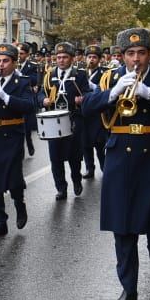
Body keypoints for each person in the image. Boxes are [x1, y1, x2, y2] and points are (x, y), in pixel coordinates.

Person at [82, 29, 150, 300]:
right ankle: (128, 289)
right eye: (130, 54)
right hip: (120, 157)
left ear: (149, 54)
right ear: (122, 55)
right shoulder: (110, 77)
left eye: (141, 53)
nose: (136, 59)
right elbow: (86, 110)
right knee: (123, 226)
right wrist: (113, 93)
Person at [0, 42, 35, 237]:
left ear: (14, 63)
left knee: (13, 177)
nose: (1, 64)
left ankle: (19, 205)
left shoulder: (22, 82)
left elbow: (29, 106)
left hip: (11, 134)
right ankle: (0, 222)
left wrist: (5, 97)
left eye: (6, 61)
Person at [41, 42, 90, 200]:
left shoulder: (80, 74)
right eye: (58, 57)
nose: (61, 60)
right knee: (55, 157)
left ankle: (76, 180)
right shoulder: (49, 74)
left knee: (74, 155)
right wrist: (44, 100)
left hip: (73, 118)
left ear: (72, 58)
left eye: (65, 57)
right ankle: (61, 188)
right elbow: (42, 92)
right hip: (54, 119)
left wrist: (82, 99)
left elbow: (88, 93)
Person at [82, 45, 107, 178]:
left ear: (99, 59)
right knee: (85, 143)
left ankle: (104, 167)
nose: (91, 59)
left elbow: (106, 89)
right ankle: (89, 168)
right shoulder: (80, 73)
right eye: (89, 57)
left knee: (99, 143)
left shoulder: (105, 73)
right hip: (85, 112)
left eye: (94, 57)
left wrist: (93, 86)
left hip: (98, 114)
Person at [17, 43, 40, 156]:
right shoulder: (13, 64)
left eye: (21, 54)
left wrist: (19, 75)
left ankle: (29, 143)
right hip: (15, 97)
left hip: (26, 97)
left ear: (27, 54)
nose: (19, 56)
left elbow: (35, 80)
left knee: (26, 126)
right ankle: (20, 150)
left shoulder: (32, 66)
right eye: (18, 53)